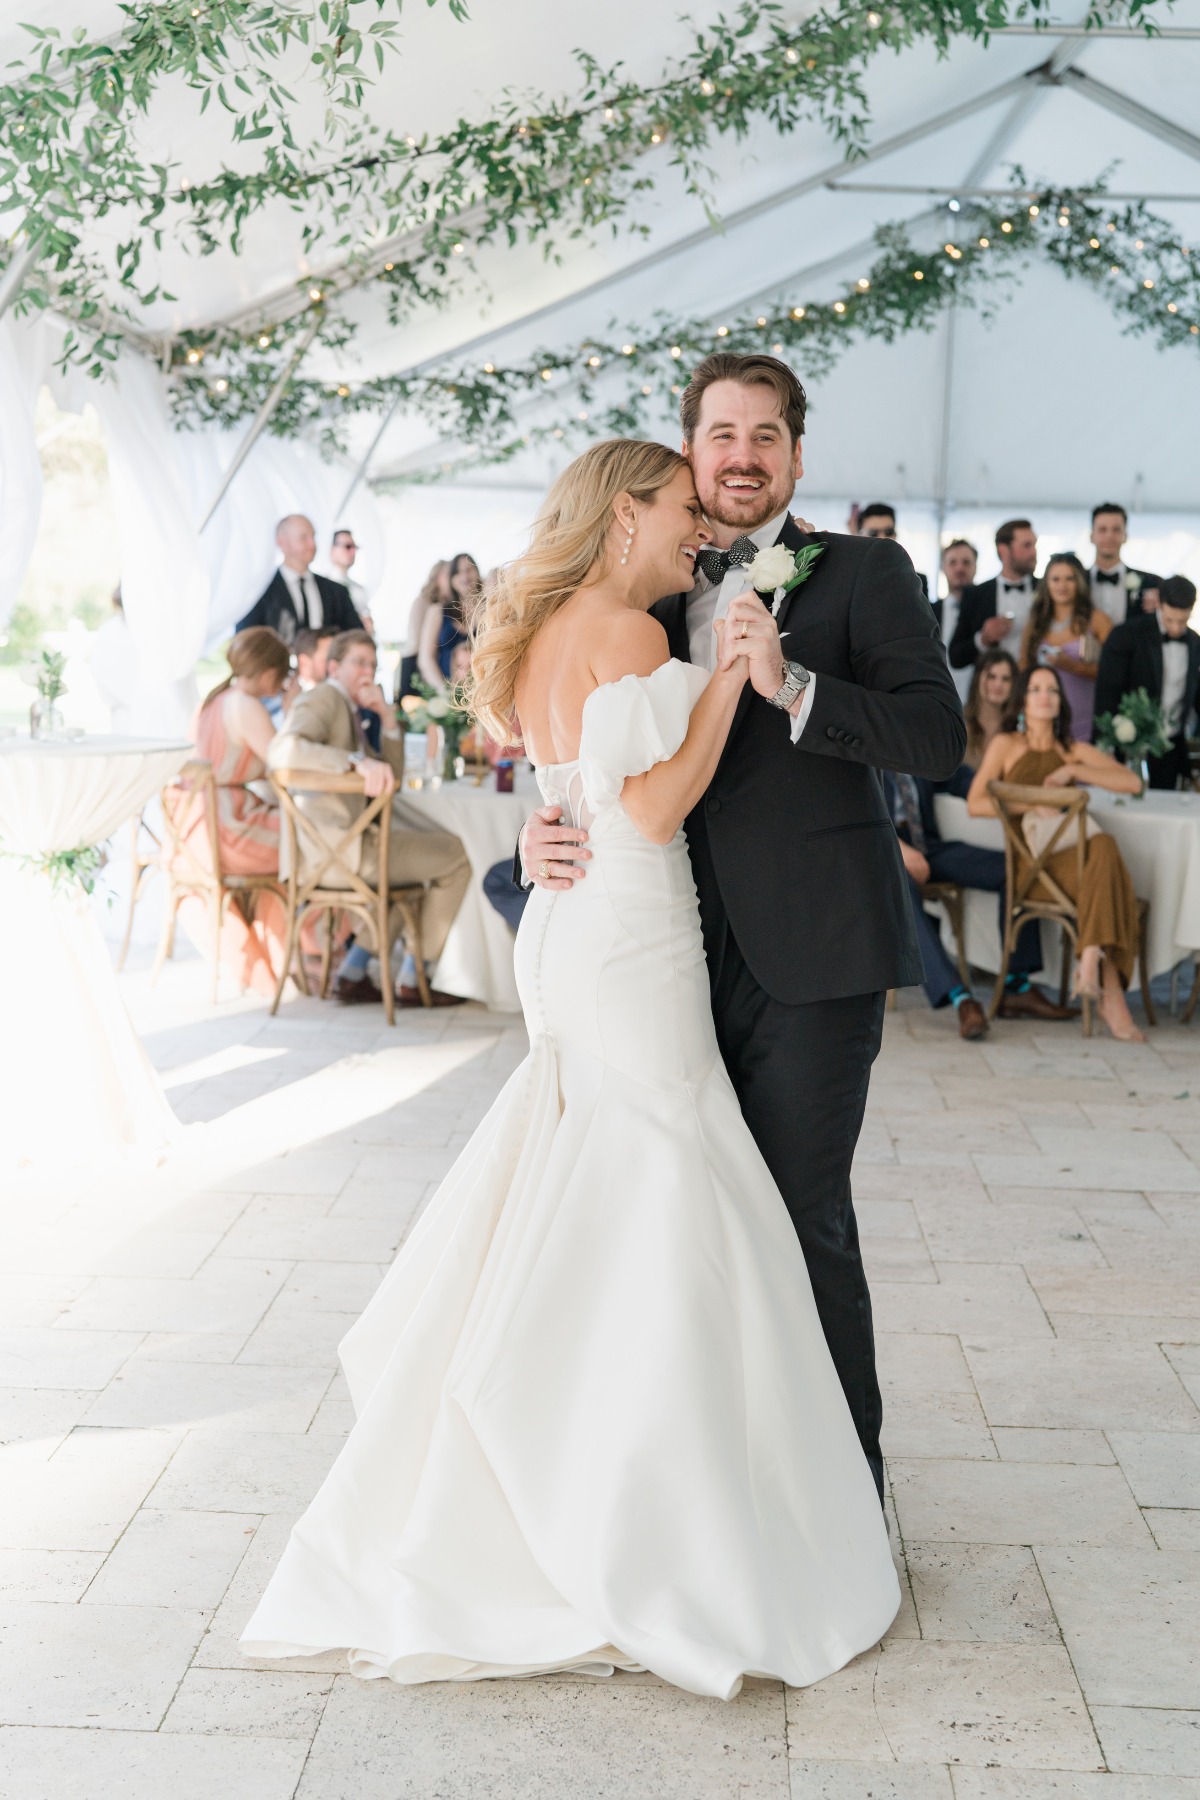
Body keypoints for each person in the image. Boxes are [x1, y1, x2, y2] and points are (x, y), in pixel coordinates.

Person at [241, 435, 902, 1699]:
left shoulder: (551, 631)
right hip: (633, 930)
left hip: (570, 929)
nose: (694, 529)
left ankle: (553, 1445)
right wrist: (723, 680)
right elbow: (652, 811)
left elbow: (578, 788)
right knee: (661, 1177)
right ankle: (634, 1498)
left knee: (598, 1171)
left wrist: (595, 791)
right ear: (622, 520)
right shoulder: (640, 637)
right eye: (675, 512)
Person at [520, 352, 964, 1496]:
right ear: (690, 451)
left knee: (799, 1212)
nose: (742, 457)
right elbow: (596, 747)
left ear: (795, 456)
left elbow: (936, 736)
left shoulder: (866, 573)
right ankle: (715, 1486)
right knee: (691, 1224)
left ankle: (843, 1492)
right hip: (666, 956)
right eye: (721, 435)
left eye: (766, 436)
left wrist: (799, 690)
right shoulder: (651, 587)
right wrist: (541, 827)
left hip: (816, 951)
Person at [268, 630, 470, 1007]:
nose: (368, 672)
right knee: (456, 854)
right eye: (358, 663)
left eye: (373, 665)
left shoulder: (349, 709)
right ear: (333, 667)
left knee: (413, 870)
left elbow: (389, 778)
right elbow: (282, 750)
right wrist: (353, 761)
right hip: (337, 853)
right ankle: (417, 974)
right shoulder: (325, 697)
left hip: (336, 853)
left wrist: (386, 718)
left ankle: (355, 971)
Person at [968, 664, 1145, 1041]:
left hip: (1074, 860)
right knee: (1106, 854)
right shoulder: (1007, 745)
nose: (1044, 696)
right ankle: (1106, 987)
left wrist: (1074, 770)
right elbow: (976, 803)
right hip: (1032, 866)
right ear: (1023, 700)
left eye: (1051, 689)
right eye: (1035, 689)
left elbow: (1131, 782)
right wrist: (1031, 803)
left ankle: (1093, 957)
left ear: (1061, 701)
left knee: (1103, 848)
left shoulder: (1072, 750)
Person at [883, 768, 1072, 1037]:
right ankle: (961, 998)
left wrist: (1039, 798)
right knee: (899, 891)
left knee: (1016, 871)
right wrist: (897, 847)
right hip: (881, 855)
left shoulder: (917, 753)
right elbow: (850, 811)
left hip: (928, 848)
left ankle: (1016, 985)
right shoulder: (861, 752)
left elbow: (974, 784)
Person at [179, 627, 292, 994]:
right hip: (228, 828)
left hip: (197, 826)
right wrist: (292, 714)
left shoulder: (212, 701)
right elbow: (283, 764)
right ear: (269, 672)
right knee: (312, 843)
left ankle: (282, 952)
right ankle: (309, 952)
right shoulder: (246, 705)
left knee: (300, 841)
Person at [1094, 575, 1200, 789]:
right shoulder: (1126, 635)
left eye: (1183, 621)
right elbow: (1107, 692)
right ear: (1159, 604)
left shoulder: (1194, 642)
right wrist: (1105, 745)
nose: (1177, 628)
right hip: (1127, 747)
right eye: (1170, 620)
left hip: (1169, 748)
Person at [1019, 554, 1111, 743]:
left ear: (1079, 582)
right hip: (1043, 718)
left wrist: (1072, 666)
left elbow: (1114, 672)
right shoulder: (1035, 623)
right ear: (1047, 583)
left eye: (1069, 579)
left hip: (1085, 717)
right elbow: (1023, 669)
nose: (1062, 586)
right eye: (1056, 579)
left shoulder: (1097, 620)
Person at [237, 515, 363, 644]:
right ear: (282, 542)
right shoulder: (260, 591)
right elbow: (246, 642)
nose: (312, 544)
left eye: (313, 537)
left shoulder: (336, 592)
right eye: (303, 538)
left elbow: (355, 637)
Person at [949, 518, 1039, 672]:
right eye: (1027, 545)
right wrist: (983, 638)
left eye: (1034, 545)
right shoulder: (976, 594)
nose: (1034, 552)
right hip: (993, 689)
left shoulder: (1045, 589)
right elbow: (955, 657)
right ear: (1003, 550)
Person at [1088, 502, 1162, 624]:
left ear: (1125, 536)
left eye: (1116, 530)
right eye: (1102, 530)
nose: (1109, 536)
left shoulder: (1151, 583)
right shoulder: (1074, 581)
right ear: (1091, 536)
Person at [417, 551, 481, 690]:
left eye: (468, 570)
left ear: (477, 573)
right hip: (446, 693)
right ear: (451, 579)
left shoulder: (489, 610)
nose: (464, 576)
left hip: (482, 692)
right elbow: (426, 658)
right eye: (458, 572)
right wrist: (444, 692)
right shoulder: (437, 611)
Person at [395, 560, 450, 703]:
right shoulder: (422, 603)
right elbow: (416, 641)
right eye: (447, 573)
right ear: (436, 577)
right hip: (415, 664)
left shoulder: (448, 608)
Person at [962, 647, 1019, 773]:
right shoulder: (958, 722)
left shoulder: (1019, 728)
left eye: (1006, 679)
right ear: (977, 679)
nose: (998, 684)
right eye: (991, 677)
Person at [939, 539, 978, 702]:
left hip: (977, 701)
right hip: (939, 699)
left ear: (976, 566)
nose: (960, 568)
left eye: (966, 562)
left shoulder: (983, 610)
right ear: (943, 567)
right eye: (953, 562)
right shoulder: (928, 610)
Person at [329, 527, 373, 635]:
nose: (352, 552)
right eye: (347, 547)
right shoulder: (321, 587)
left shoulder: (359, 589)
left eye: (354, 547)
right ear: (333, 549)